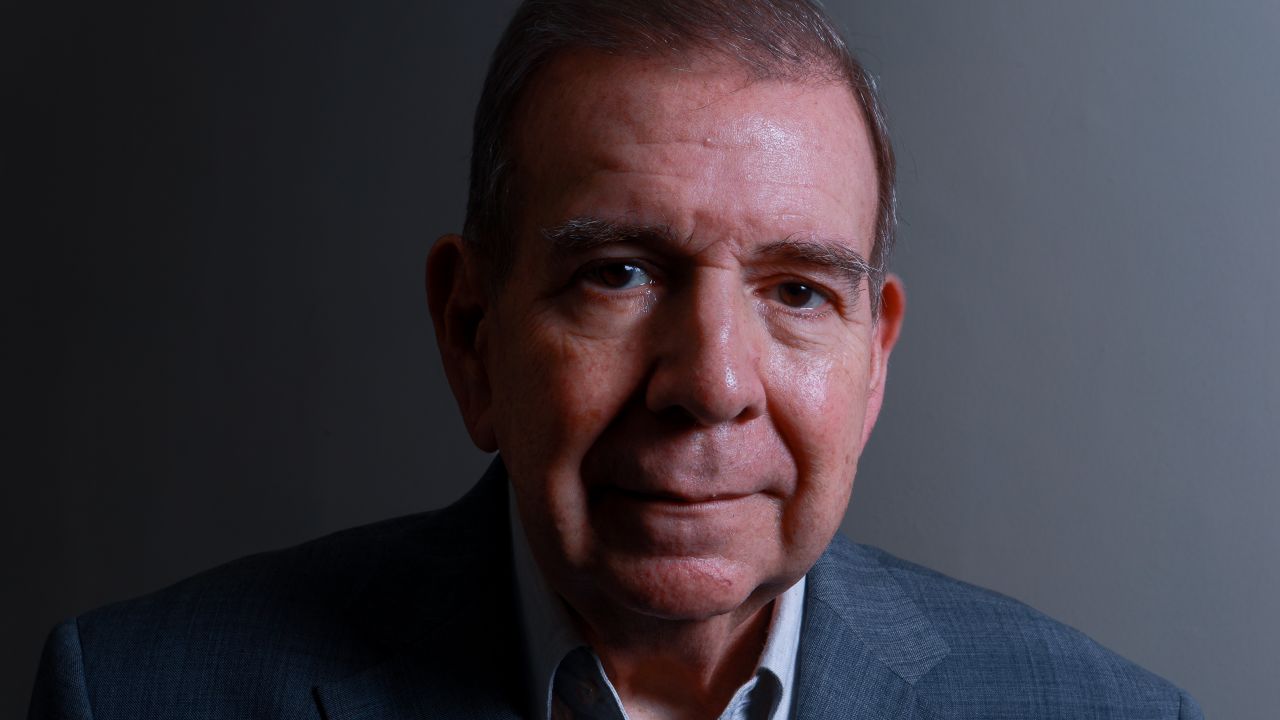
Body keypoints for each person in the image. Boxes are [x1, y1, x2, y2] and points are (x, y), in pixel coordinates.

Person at [29, 1, 1202, 718]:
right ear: (471, 333)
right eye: (620, 273)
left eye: (795, 291)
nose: (710, 383)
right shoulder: (134, 697)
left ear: (872, 360)